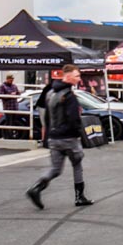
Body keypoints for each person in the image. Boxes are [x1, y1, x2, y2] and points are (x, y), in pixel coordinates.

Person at [26, 67, 93, 209]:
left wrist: (49, 133)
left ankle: (36, 187)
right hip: (69, 138)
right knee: (77, 164)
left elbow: (45, 114)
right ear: (68, 77)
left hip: (53, 137)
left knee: (56, 169)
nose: (79, 78)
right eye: (76, 76)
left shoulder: (50, 92)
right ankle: (79, 196)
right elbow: (74, 119)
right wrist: (78, 134)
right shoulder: (69, 96)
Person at [0, 74, 21, 139]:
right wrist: (10, 95)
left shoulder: (14, 86)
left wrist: (17, 93)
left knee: (13, 122)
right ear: (7, 79)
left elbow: (19, 93)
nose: (12, 80)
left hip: (14, 107)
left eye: (12, 79)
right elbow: (1, 95)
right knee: (8, 122)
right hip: (8, 107)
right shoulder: (2, 86)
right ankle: (7, 136)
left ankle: (11, 135)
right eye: (10, 79)